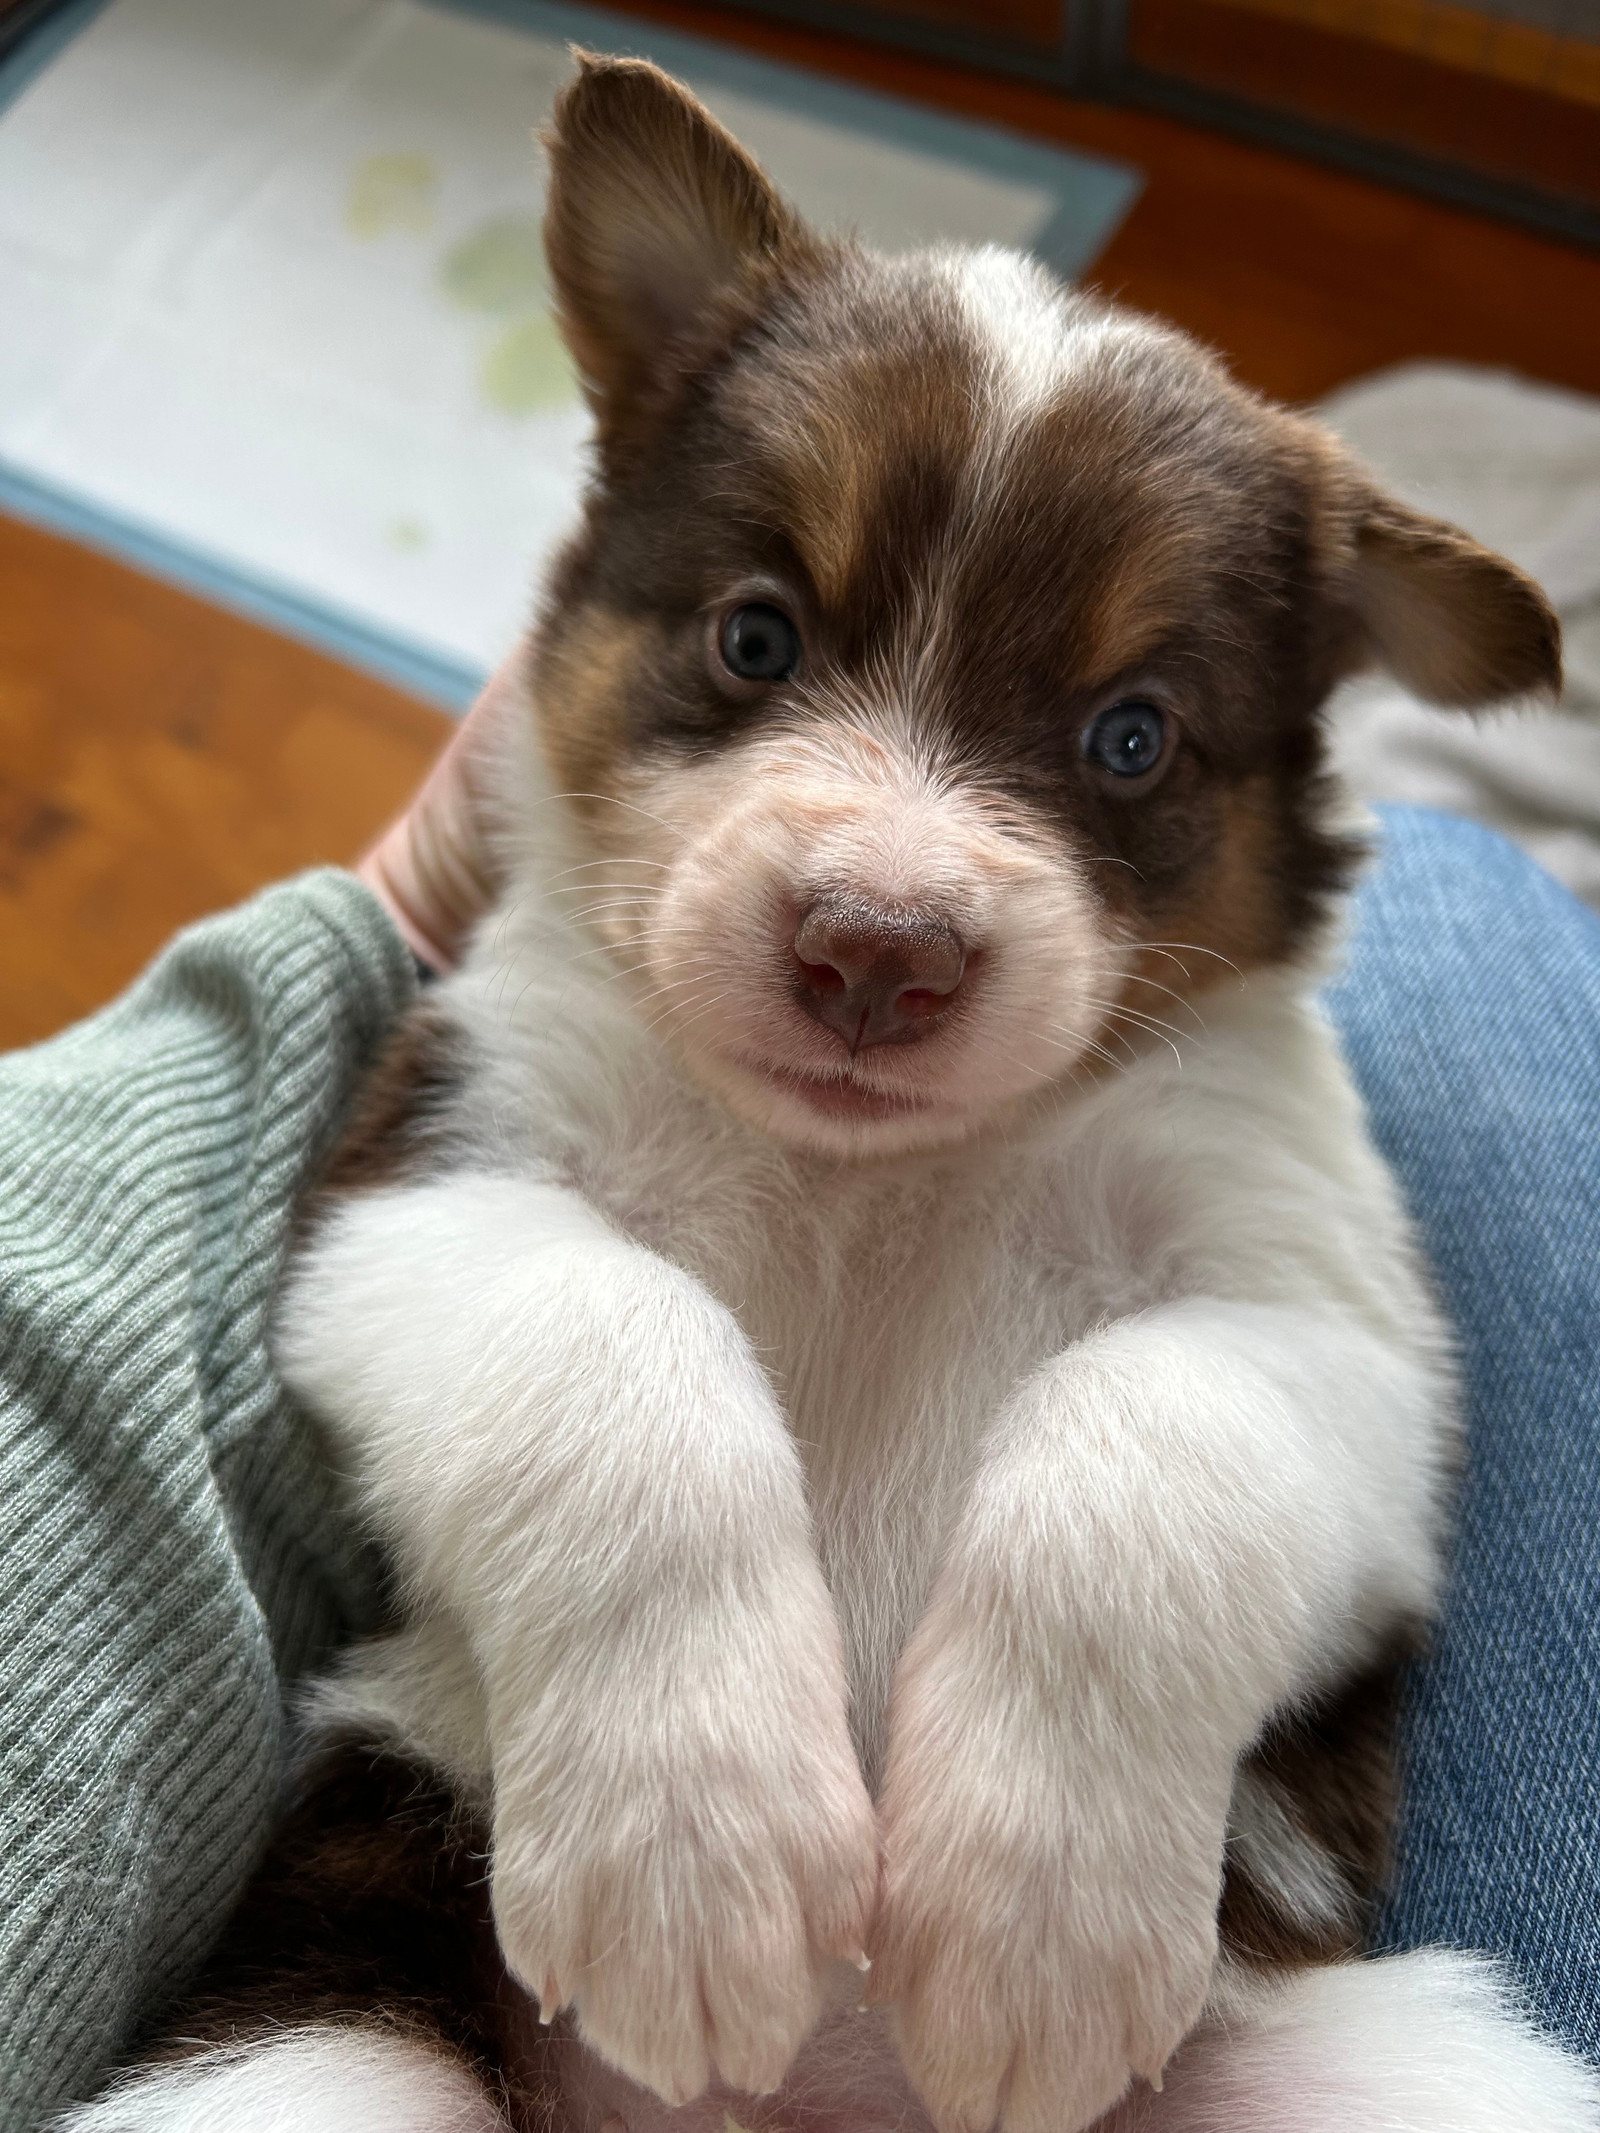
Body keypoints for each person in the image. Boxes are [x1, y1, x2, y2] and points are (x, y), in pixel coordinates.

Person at [2, 660, 1596, 2130]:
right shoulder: (580, 961)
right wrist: (626, 1521)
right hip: (454, 1984)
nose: (889, 891)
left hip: (1195, 2040)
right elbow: (404, 1254)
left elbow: (1352, 1410)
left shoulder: (1237, 1043)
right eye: (768, 644)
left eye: (1124, 739)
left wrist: (1119, 1586)